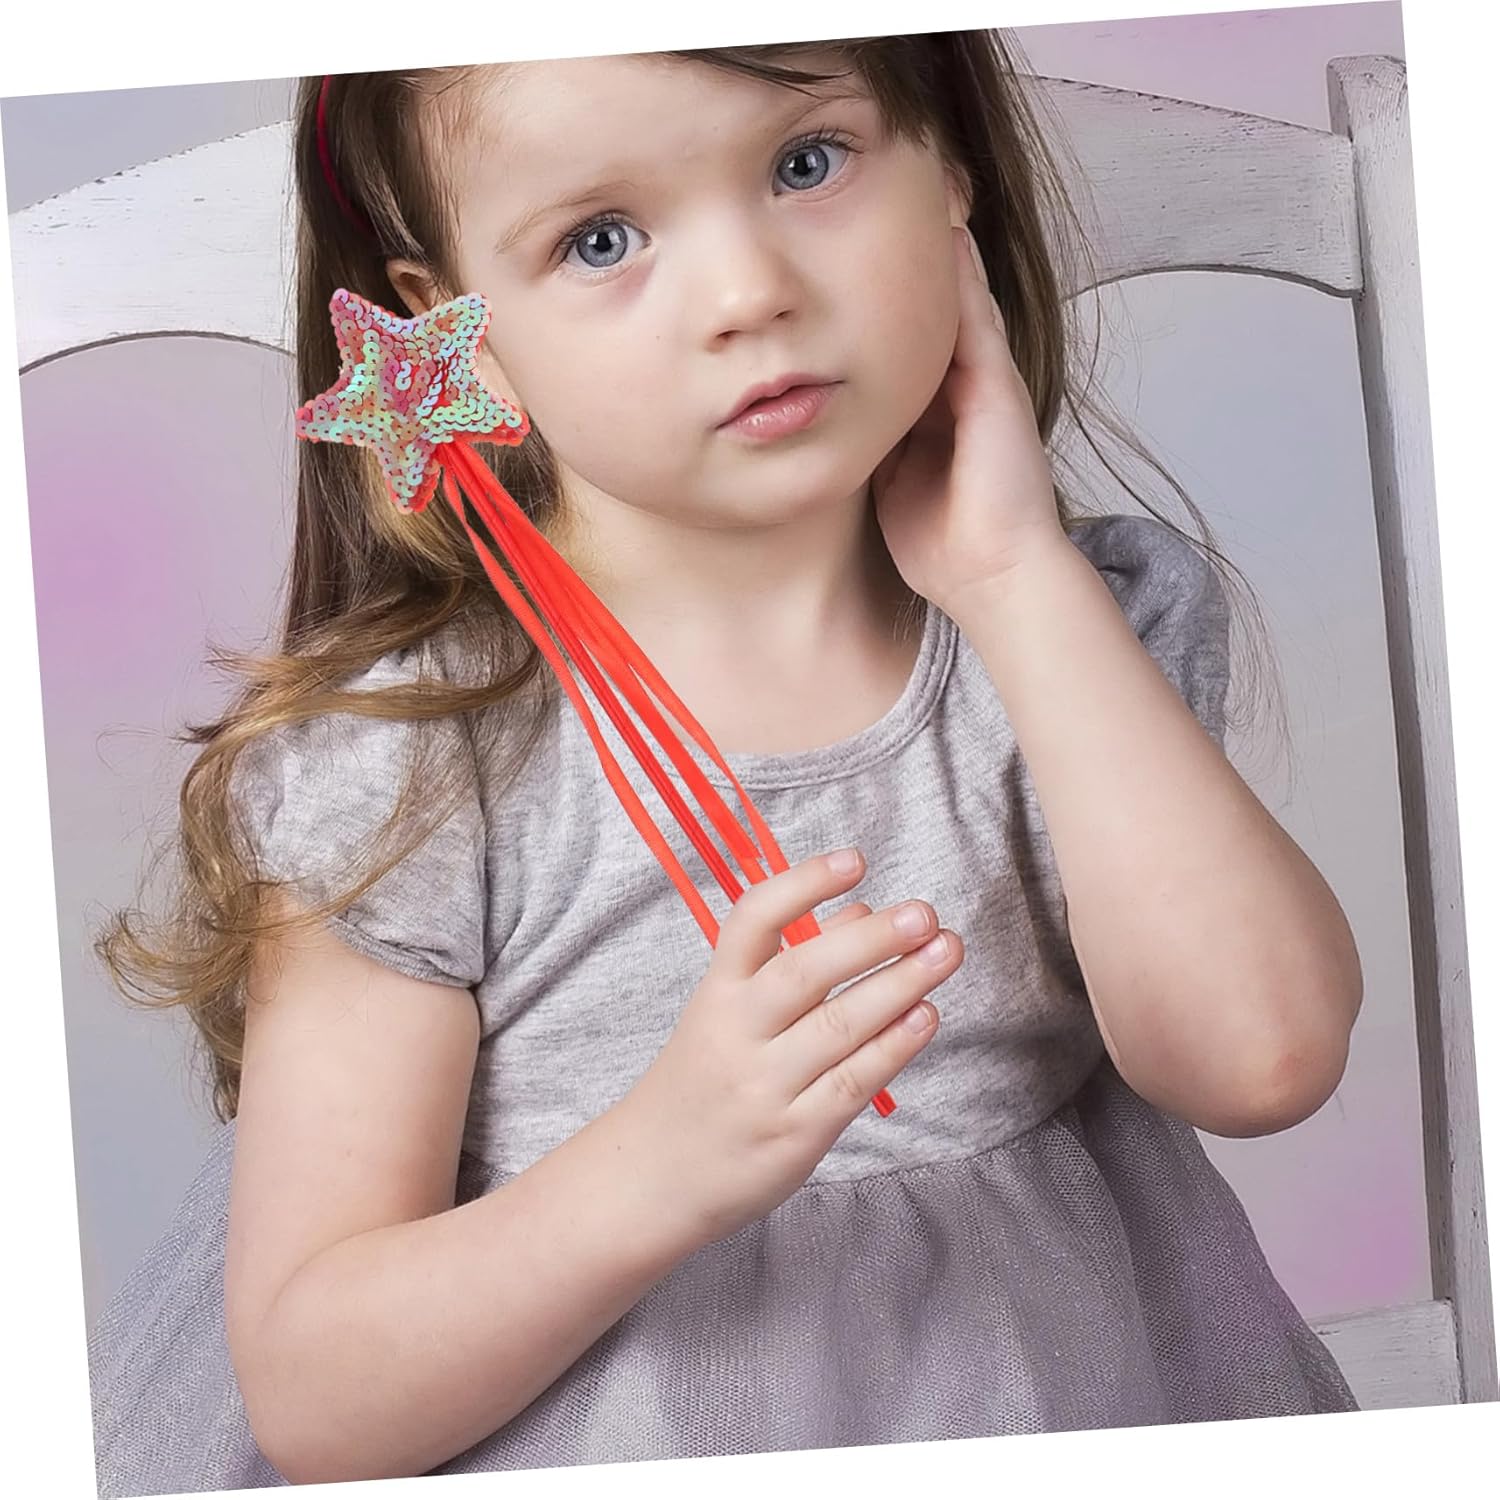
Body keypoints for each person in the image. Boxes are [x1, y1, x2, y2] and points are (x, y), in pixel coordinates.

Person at [87, 30, 1365, 1496]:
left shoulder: (1076, 629)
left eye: (808, 163)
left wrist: (1015, 578)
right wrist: (664, 1161)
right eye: (602, 239)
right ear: (459, 334)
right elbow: (320, 1399)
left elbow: (1262, 1059)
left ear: (950, 171)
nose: (749, 292)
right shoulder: (413, 763)